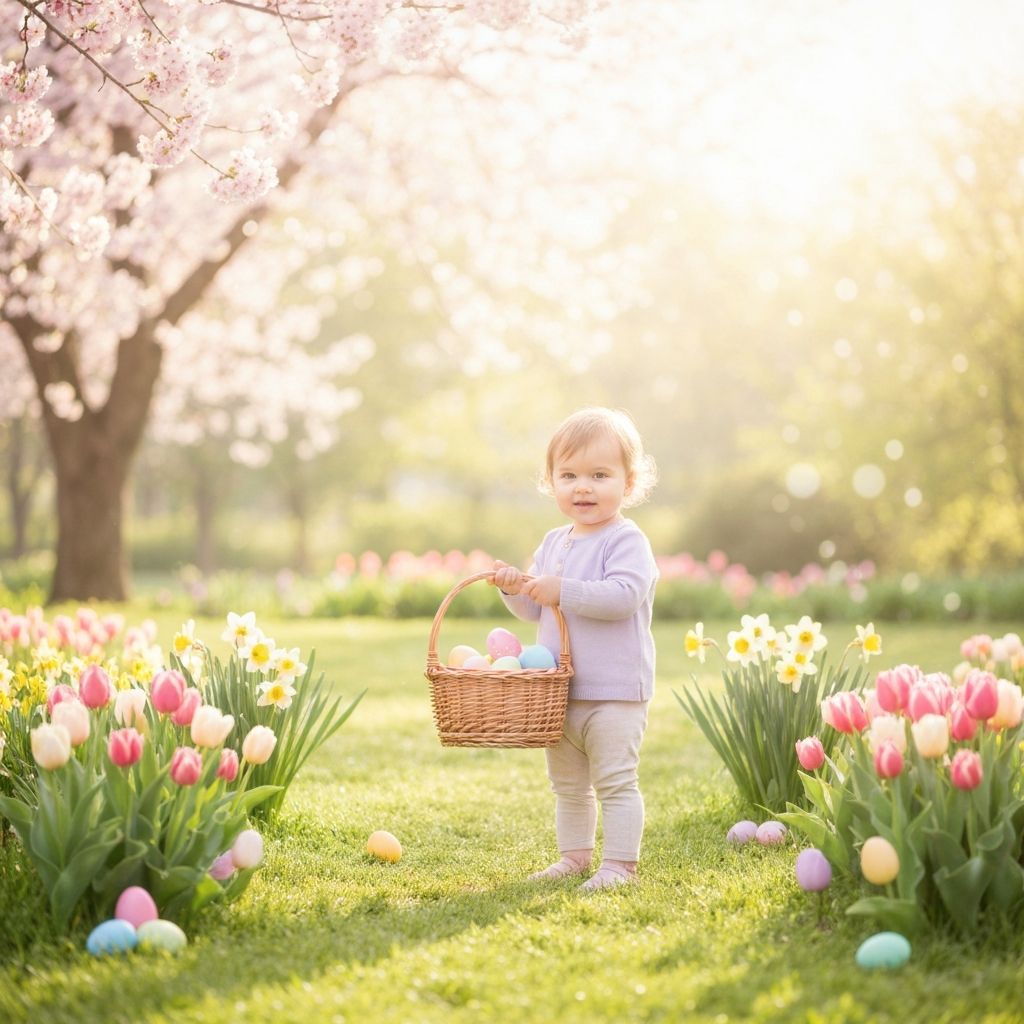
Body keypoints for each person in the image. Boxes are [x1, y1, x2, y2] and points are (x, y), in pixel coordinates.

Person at [493, 407, 658, 891]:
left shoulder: (626, 539)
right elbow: (535, 609)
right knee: (567, 786)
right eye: (569, 476)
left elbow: (624, 596)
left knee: (615, 782)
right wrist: (514, 589)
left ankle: (620, 865)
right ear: (552, 482)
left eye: (599, 475)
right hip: (559, 693)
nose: (582, 487)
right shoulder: (554, 542)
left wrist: (561, 589)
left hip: (614, 692)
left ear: (629, 483)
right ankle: (574, 857)